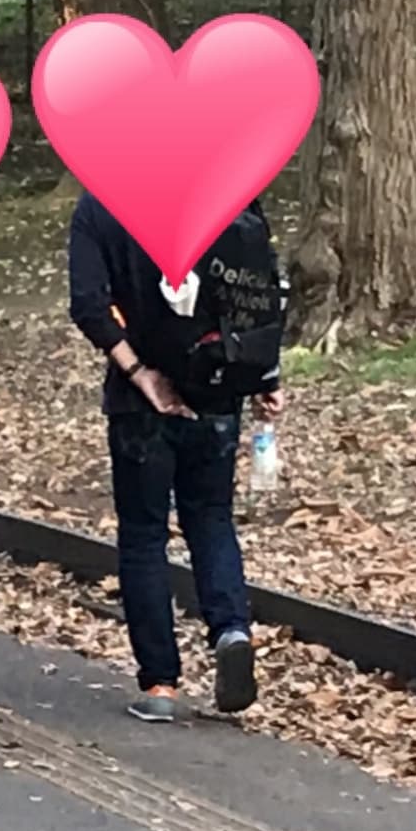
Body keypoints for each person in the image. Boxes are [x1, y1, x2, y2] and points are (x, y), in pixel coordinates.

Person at [66, 189, 282, 723]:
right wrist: (264, 375)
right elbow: (257, 292)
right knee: (211, 518)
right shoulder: (226, 187)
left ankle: (160, 682)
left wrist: (139, 373)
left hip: (140, 401)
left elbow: (89, 304)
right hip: (218, 389)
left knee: (144, 534)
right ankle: (231, 629)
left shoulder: (102, 204)